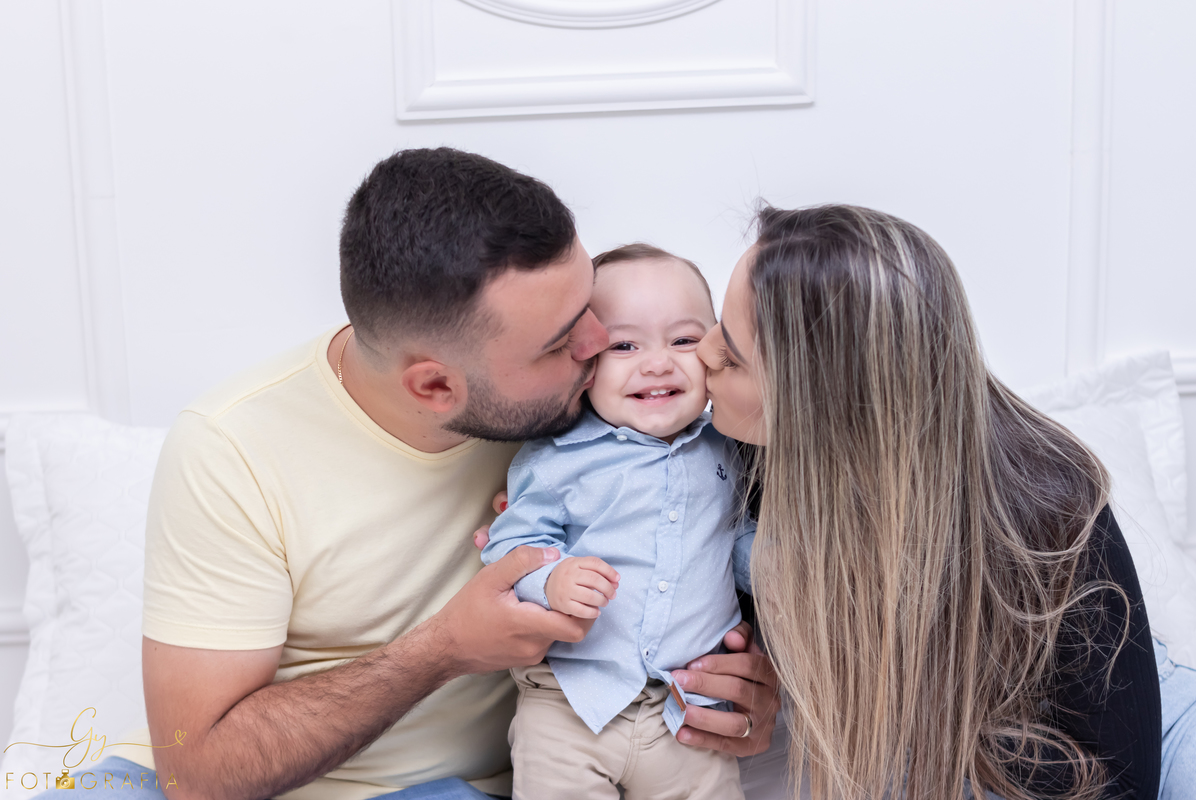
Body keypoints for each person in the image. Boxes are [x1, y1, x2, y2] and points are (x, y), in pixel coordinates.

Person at [34, 149, 779, 800]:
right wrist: (445, 647)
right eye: (563, 341)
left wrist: (755, 678)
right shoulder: (230, 448)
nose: (601, 346)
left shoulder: (610, 421)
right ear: (434, 388)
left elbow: (723, 528)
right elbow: (198, 774)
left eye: (589, 302)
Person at [695, 203, 1196, 799]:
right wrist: (757, 686)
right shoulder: (733, 459)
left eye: (730, 355)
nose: (700, 352)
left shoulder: (1044, 500)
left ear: (824, 410)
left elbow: (1123, 776)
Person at [481, 244, 762, 800]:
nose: (657, 363)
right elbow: (510, 546)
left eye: (683, 340)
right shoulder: (558, 457)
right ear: (583, 362)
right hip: (569, 706)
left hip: (689, 713)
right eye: (625, 344)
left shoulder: (730, 448)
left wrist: (784, 574)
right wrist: (552, 580)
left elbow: (740, 541)